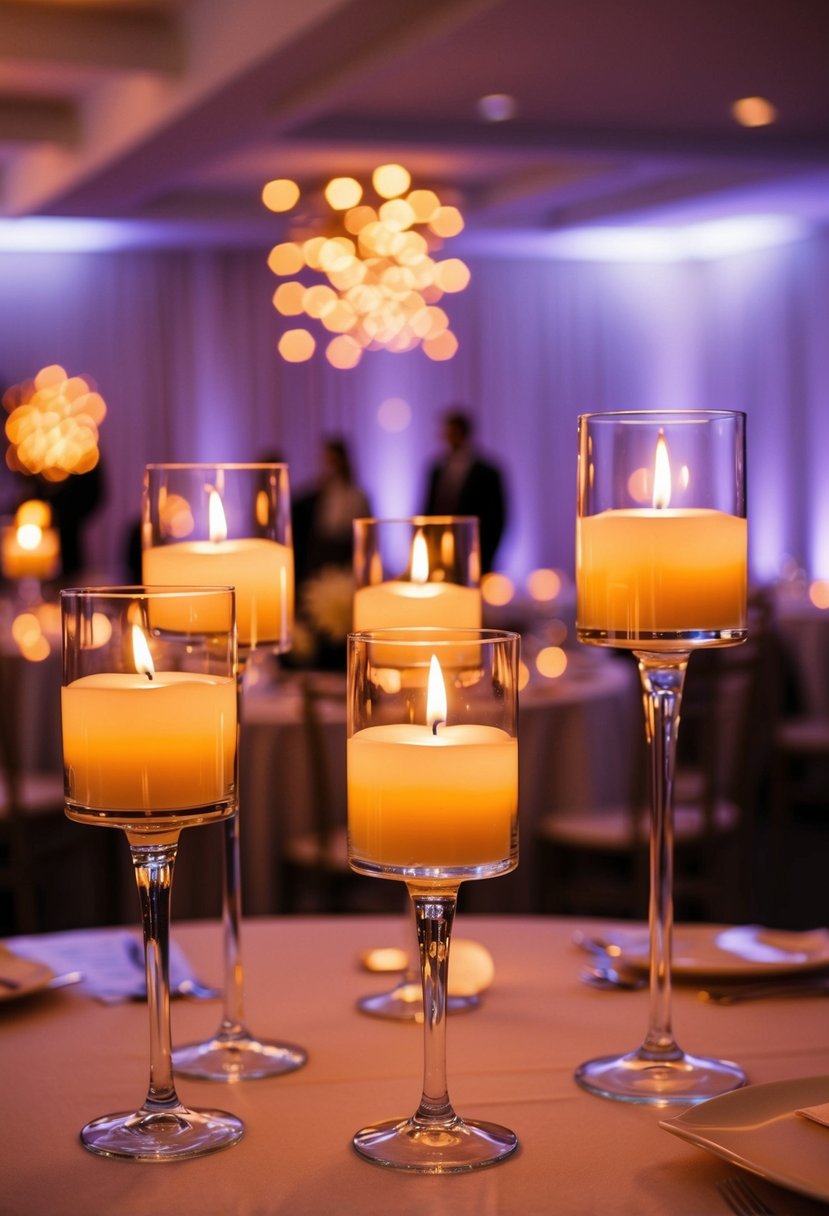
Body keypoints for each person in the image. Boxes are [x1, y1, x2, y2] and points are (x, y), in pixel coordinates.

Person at [422, 408, 507, 573]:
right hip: (439, 551)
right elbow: (429, 508)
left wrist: (487, 551)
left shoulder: (488, 472)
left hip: (476, 551)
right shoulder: (436, 469)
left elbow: (497, 516)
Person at [292, 438, 371, 584]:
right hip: (323, 551)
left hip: (346, 551)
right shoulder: (318, 495)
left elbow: (366, 531)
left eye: (332, 460)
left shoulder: (357, 495)